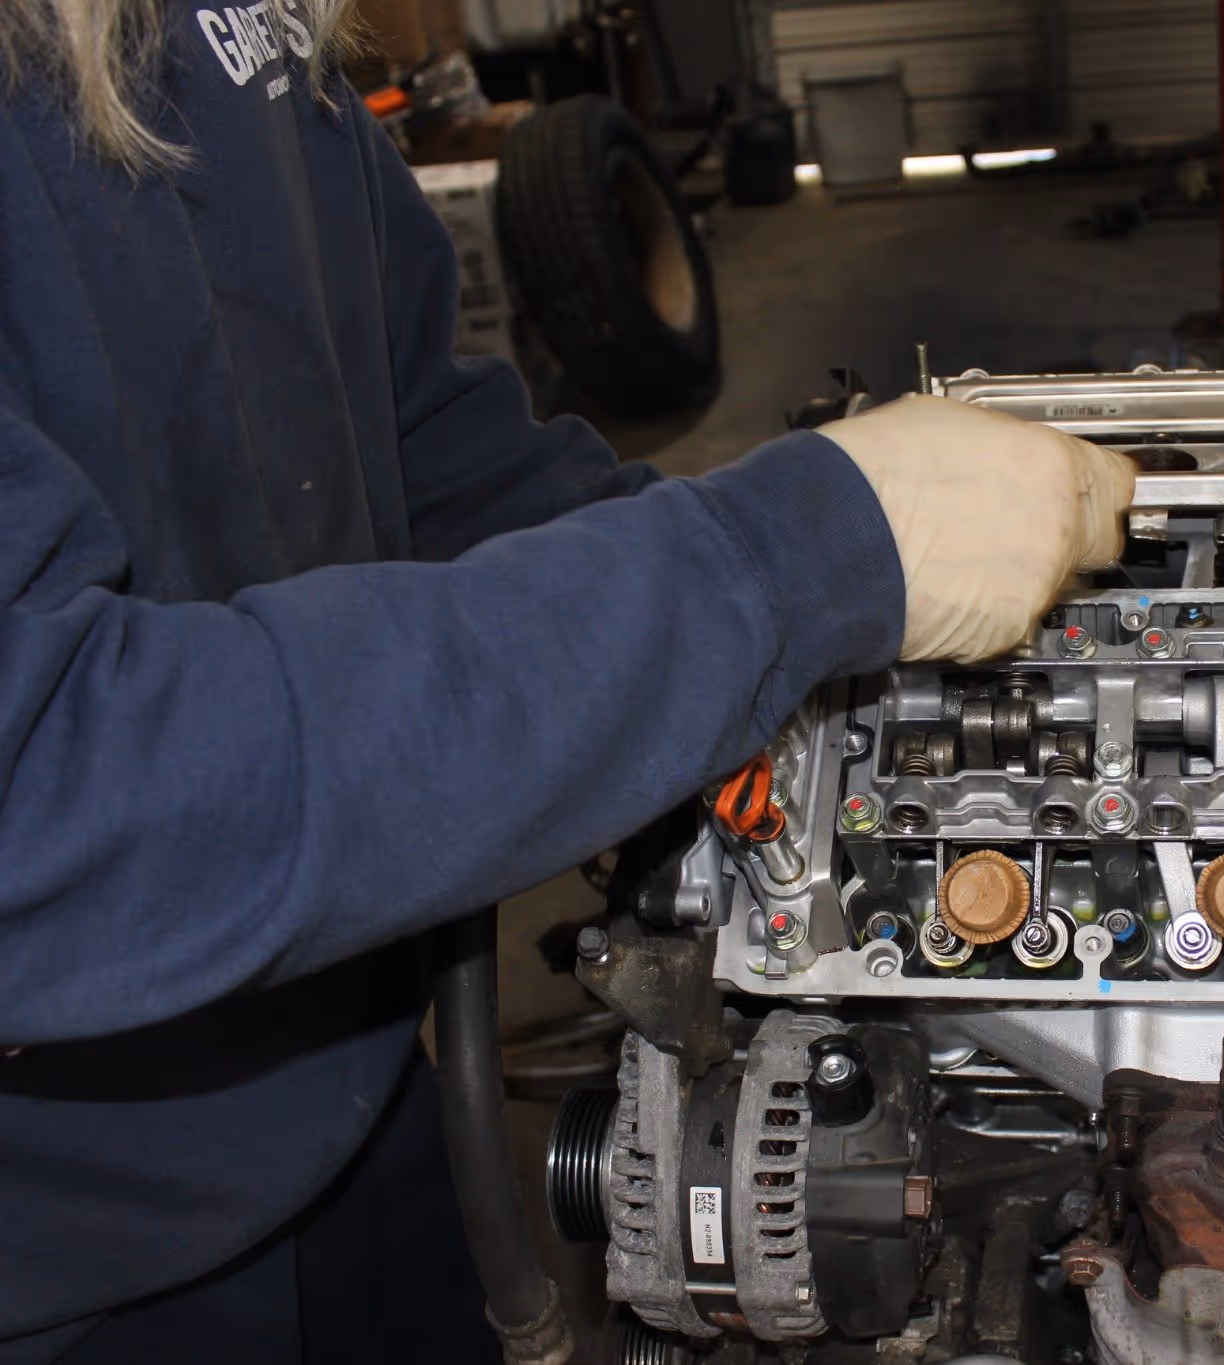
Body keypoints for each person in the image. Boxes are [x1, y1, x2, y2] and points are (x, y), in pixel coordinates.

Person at [0, 0, 1134, 1358]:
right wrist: (779, 564)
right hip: (62, 1248)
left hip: (348, 1080)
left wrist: (778, 624)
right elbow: (46, 794)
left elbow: (421, 444)